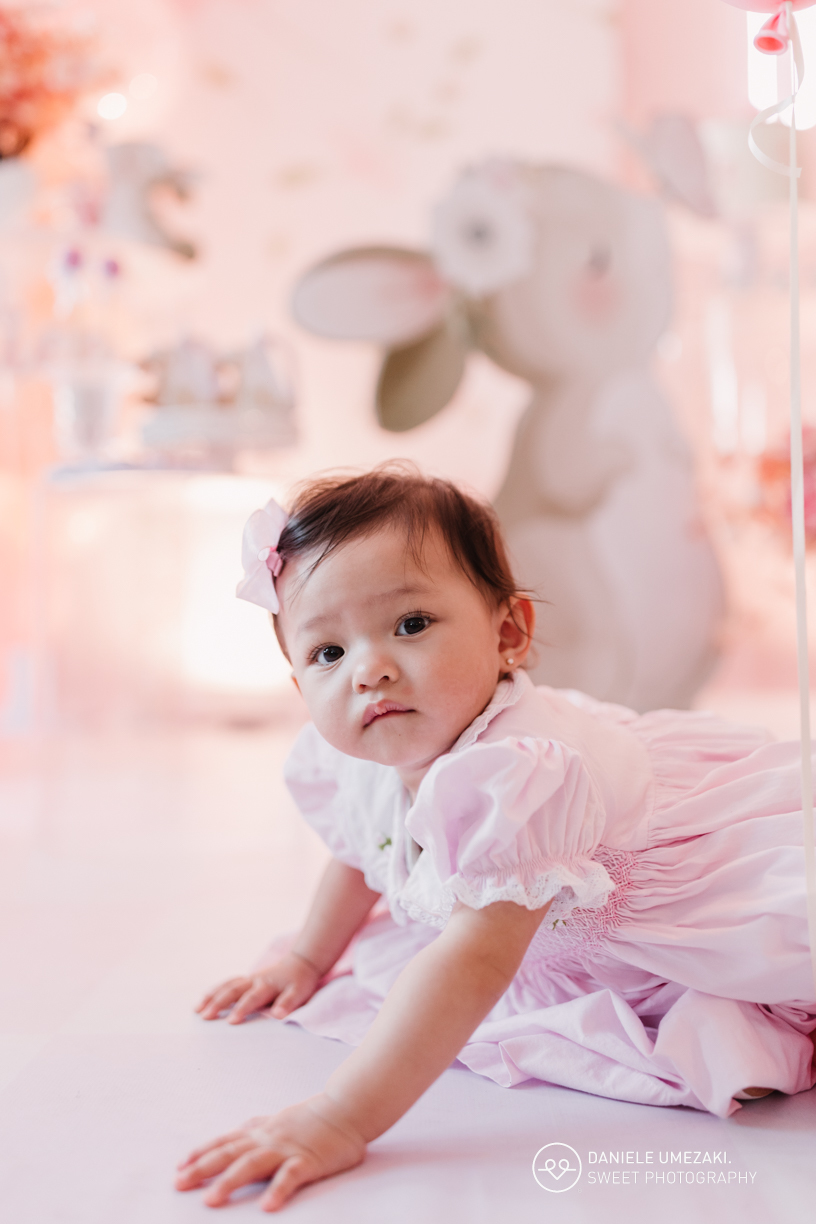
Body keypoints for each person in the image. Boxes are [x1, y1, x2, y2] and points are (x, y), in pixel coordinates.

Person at [175, 464, 816, 1213]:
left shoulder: (512, 776)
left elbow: (476, 958)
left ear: (508, 633)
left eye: (410, 625)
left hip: (682, 889)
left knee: (753, 986)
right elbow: (362, 851)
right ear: (297, 686)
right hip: (528, 907)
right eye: (328, 654)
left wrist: (337, 1117)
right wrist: (308, 958)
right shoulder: (372, 750)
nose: (369, 672)